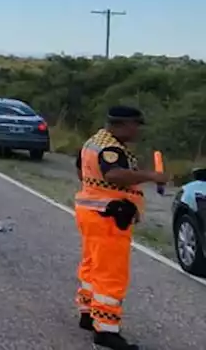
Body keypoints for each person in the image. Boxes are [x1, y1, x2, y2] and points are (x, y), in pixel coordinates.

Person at [73, 105, 168, 350]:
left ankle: (88, 312)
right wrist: (151, 176)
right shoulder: (110, 148)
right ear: (121, 125)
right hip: (109, 216)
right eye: (135, 125)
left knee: (92, 264)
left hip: (91, 211)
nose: (137, 130)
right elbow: (114, 175)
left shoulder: (93, 142)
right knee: (111, 273)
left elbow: (80, 171)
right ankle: (105, 330)